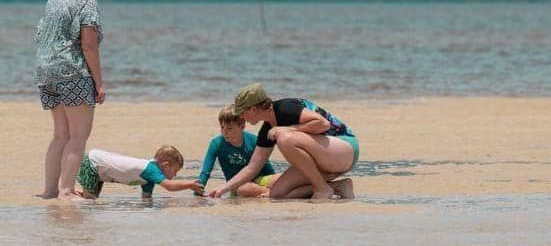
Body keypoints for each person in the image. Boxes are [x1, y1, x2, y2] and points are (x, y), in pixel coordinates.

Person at [34, 0, 111, 201]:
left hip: (46, 70)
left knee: (60, 135)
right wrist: (99, 83)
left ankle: (49, 190)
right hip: (72, 71)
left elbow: (41, 33)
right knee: (78, 135)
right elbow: (88, 44)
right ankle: (66, 191)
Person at [206, 83, 357, 200]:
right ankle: (338, 187)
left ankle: (321, 188)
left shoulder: (285, 108)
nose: (242, 118)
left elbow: (323, 124)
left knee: (285, 138)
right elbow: (252, 168)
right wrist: (222, 189)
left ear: (252, 109)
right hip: (321, 157)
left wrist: (288, 129)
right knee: (276, 194)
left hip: (343, 149)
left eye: (242, 112)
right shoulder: (266, 129)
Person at [197, 105, 280, 197]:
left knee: (281, 178)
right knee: (244, 189)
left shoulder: (253, 140)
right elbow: (206, 172)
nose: (224, 132)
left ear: (242, 126)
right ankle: (276, 193)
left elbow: (266, 166)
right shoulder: (216, 144)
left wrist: (274, 180)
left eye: (229, 128)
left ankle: (273, 192)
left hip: (260, 179)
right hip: (236, 185)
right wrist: (197, 192)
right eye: (222, 127)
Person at [74, 146, 203, 199]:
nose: (175, 175)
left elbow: (146, 200)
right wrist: (190, 185)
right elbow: (169, 186)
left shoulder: (149, 179)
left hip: (101, 171)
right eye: (175, 171)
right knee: (89, 201)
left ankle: (70, 192)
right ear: (165, 165)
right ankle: (67, 194)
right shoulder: (151, 169)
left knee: (91, 199)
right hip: (93, 163)